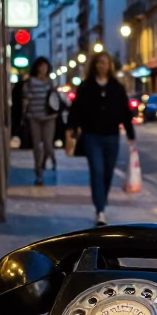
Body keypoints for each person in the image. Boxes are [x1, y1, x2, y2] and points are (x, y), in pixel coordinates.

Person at [67, 51, 135, 225]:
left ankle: (102, 201)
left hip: (112, 136)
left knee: (108, 173)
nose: (102, 66)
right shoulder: (86, 86)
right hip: (92, 136)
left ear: (110, 66)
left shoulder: (116, 87)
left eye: (105, 63)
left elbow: (125, 111)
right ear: (94, 65)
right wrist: (72, 127)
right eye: (99, 63)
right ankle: (100, 209)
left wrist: (130, 132)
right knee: (97, 171)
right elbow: (76, 108)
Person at [23, 57, 58, 185]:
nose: (43, 69)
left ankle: (50, 158)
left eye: (45, 66)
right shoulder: (30, 82)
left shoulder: (50, 82)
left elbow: (55, 98)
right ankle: (39, 173)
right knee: (37, 146)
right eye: (41, 66)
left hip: (49, 118)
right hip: (34, 117)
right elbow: (25, 98)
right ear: (36, 67)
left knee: (48, 144)